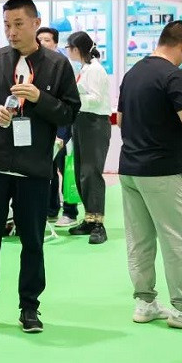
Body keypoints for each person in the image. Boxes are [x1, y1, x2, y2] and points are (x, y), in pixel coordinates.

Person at [0, 0, 80, 334]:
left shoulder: (57, 65)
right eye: (6, 25)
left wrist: (40, 98)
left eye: (18, 24)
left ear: (35, 23)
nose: (11, 32)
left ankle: (29, 307)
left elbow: (69, 112)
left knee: (32, 242)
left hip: (34, 169)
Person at [118, 20, 182, 331]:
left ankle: (145, 302)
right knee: (178, 240)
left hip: (130, 168)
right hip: (163, 170)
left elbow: (121, 119)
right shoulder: (173, 75)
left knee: (139, 240)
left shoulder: (133, 73)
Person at [65, 31, 111, 244]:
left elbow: (95, 99)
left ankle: (98, 223)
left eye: (69, 47)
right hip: (82, 121)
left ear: (77, 49)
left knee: (91, 172)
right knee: (81, 173)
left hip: (94, 122)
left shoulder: (95, 70)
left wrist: (72, 98)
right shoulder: (85, 68)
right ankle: (90, 218)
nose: (68, 51)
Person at [36, 27, 78, 227]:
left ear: (55, 43)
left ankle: (70, 211)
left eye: (47, 39)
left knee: (66, 169)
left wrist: (62, 133)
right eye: (40, 39)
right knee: (48, 170)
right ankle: (51, 209)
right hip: (43, 128)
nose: (43, 42)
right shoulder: (35, 66)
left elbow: (68, 104)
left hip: (62, 128)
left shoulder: (63, 66)